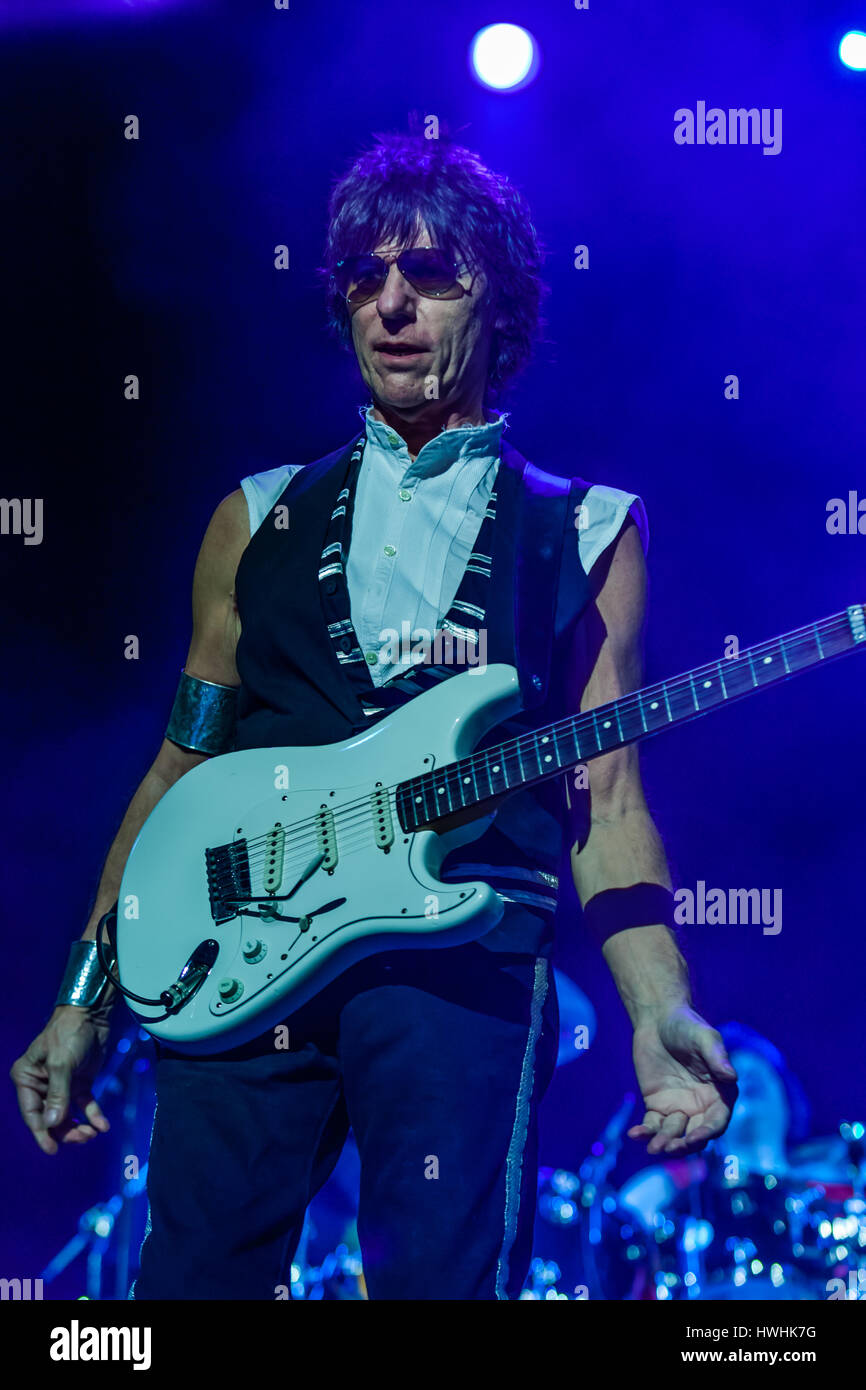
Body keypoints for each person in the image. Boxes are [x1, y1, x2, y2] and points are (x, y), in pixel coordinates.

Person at [10, 130, 737, 1300]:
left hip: (458, 962)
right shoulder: (255, 518)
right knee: (187, 1284)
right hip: (240, 965)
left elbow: (605, 798)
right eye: (364, 277)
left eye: (429, 274)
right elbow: (173, 774)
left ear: (493, 302)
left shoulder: (585, 531)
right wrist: (85, 996)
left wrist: (657, 1010)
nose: (391, 303)